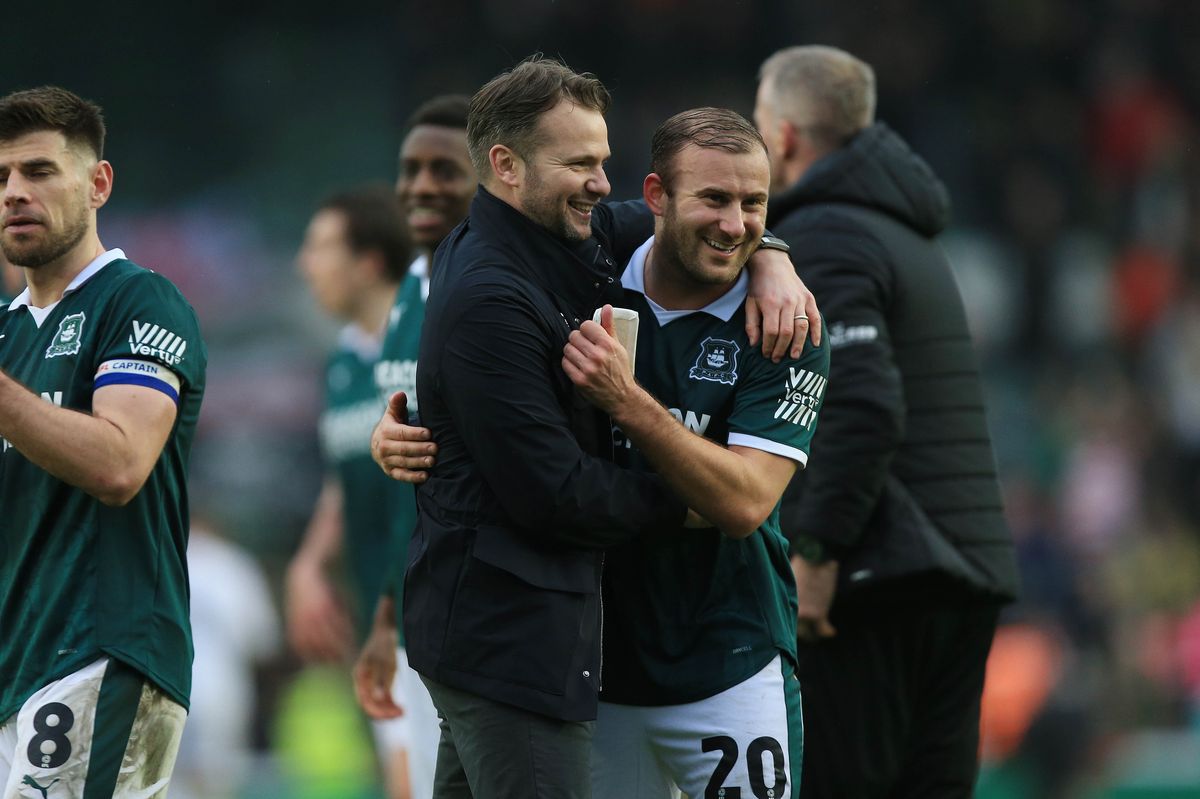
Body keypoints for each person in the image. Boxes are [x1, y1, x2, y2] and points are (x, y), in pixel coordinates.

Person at [372, 56, 818, 799]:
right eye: (579, 162)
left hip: (704, 655)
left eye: (603, 160)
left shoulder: (579, 243)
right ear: (506, 167)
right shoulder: (497, 290)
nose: (598, 182)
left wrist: (772, 254)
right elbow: (555, 491)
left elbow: (699, 216)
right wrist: (683, 495)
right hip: (529, 646)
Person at [753, 45, 1019, 798]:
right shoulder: (910, 231)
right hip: (959, 566)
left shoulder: (830, 236)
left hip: (876, 575)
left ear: (786, 136)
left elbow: (862, 406)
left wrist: (815, 548)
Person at [562, 107, 829, 799]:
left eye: (754, 204)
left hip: (729, 664)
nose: (735, 225)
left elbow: (744, 500)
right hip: (597, 668)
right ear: (655, 196)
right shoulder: (583, 273)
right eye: (714, 198)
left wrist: (628, 402)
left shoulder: (786, 326)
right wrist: (409, 430)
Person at [0, 86, 207, 796]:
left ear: (98, 183)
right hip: (15, 668)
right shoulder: (6, 332)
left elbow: (121, 462)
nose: (14, 192)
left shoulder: (137, 299)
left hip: (97, 652)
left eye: (38, 171)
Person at [352, 95, 476, 799]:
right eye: (410, 168)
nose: (421, 185)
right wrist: (384, 619)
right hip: (415, 609)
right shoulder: (410, 289)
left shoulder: (498, 284)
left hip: (481, 613)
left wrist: (771, 253)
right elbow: (402, 481)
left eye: (443, 169)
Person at [286, 185, 417, 798]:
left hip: (430, 608)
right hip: (373, 617)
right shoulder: (340, 362)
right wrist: (311, 564)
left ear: (368, 261)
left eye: (319, 247)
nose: (304, 264)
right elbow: (345, 481)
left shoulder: (425, 341)